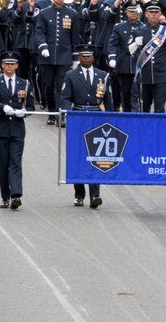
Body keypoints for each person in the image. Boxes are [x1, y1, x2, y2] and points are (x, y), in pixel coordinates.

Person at [60, 43, 113, 208]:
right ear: (79, 58)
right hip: (78, 116)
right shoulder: (70, 75)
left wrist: (110, 118)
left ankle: (95, 194)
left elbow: (109, 99)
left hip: (97, 117)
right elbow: (65, 97)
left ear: (93, 57)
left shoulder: (103, 75)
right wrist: (65, 116)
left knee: (96, 156)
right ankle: (79, 194)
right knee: (78, 156)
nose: (86, 58)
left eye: (89, 56)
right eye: (83, 56)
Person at [0, 51, 35, 210]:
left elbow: (30, 106)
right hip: (0, 129)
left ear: (17, 66)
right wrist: (1, 107)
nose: (10, 67)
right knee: (3, 164)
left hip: (17, 129)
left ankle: (16, 195)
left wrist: (25, 112)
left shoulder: (24, 84)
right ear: (2, 65)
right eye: (7, 64)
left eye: (12, 64)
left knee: (15, 162)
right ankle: (5, 196)